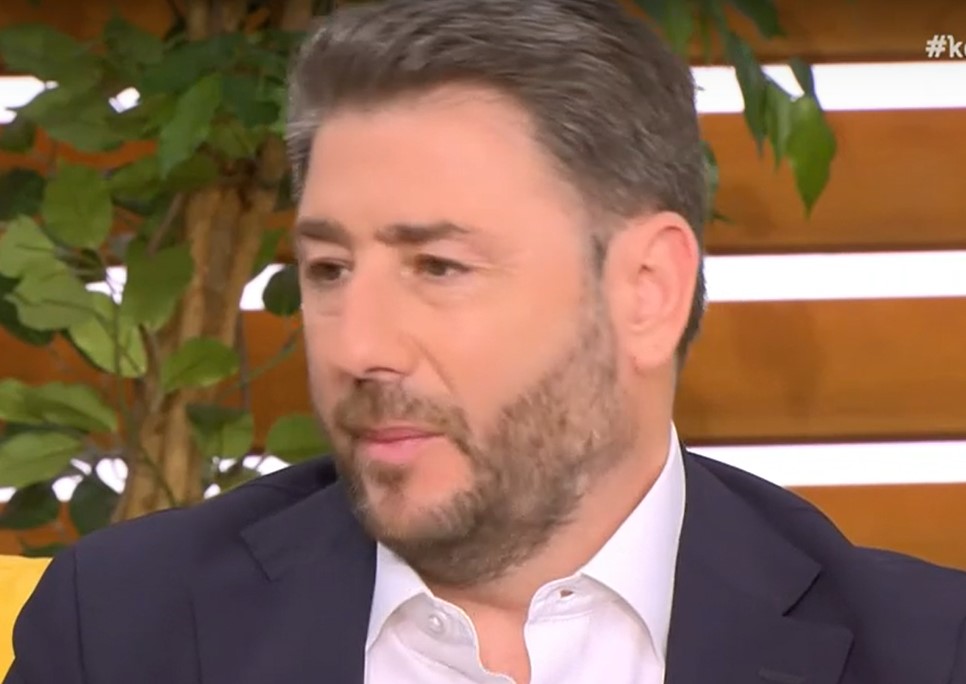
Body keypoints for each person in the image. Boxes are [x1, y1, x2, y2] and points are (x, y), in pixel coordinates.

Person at [6, 0, 966, 682]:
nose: (357, 347)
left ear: (647, 290)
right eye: (329, 269)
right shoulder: (121, 633)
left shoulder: (927, 651)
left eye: (438, 267)